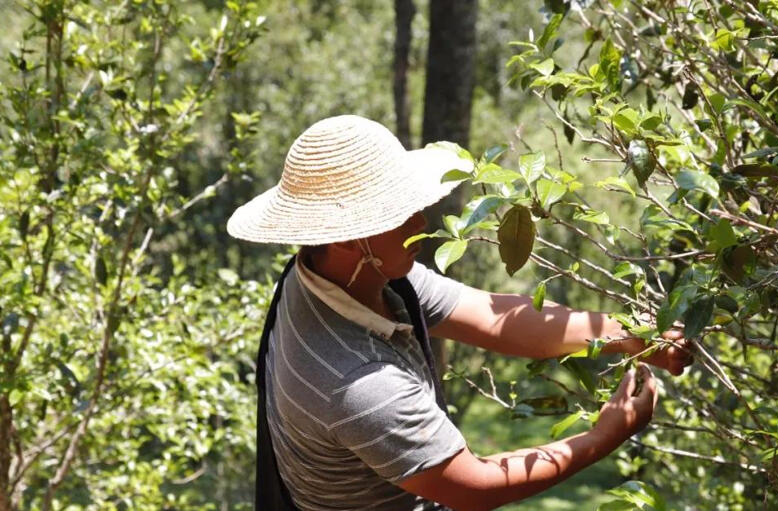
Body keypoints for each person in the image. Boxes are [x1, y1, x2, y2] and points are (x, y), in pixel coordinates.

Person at [226, 115, 693, 511]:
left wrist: (630, 335)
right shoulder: (357, 384)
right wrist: (605, 436)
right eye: (402, 212)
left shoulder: (332, 275)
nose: (421, 222)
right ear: (350, 237)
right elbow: (472, 486)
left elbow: (493, 317)